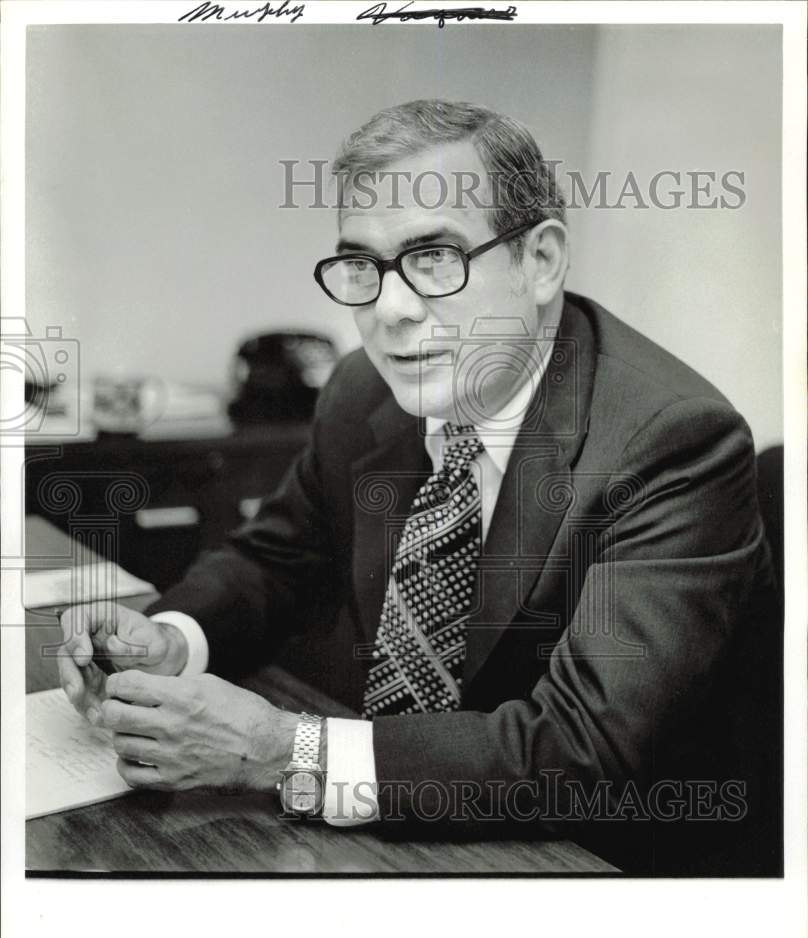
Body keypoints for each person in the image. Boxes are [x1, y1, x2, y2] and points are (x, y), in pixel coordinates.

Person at [57, 100, 779, 874]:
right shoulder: (364, 388)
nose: (391, 311)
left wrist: (281, 752)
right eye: (363, 266)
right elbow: (275, 559)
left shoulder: (671, 442)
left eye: (435, 258)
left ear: (540, 261)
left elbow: (582, 749)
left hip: (602, 866)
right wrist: (174, 637)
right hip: (388, 837)